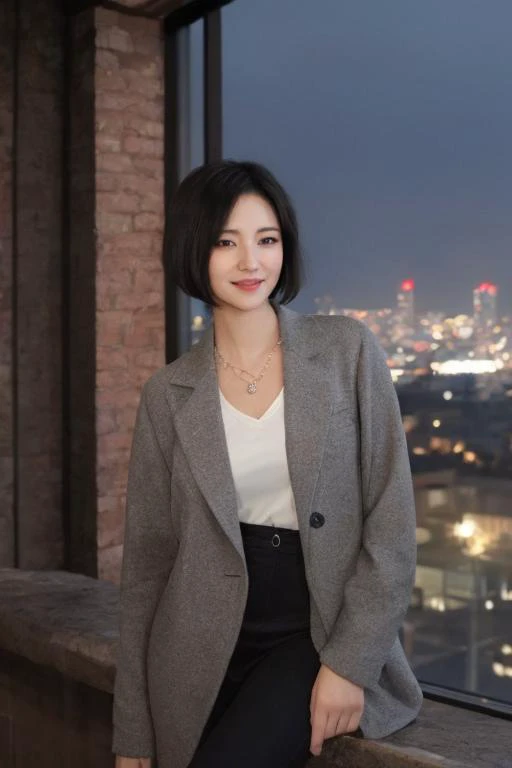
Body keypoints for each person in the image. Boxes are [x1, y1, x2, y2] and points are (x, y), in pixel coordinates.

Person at [112, 160, 423, 768]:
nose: (251, 262)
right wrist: (131, 738)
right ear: (193, 250)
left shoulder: (347, 351)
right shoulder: (168, 393)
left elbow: (392, 522)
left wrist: (348, 663)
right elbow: (147, 570)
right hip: (194, 647)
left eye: (267, 239)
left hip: (312, 629)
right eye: (226, 242)